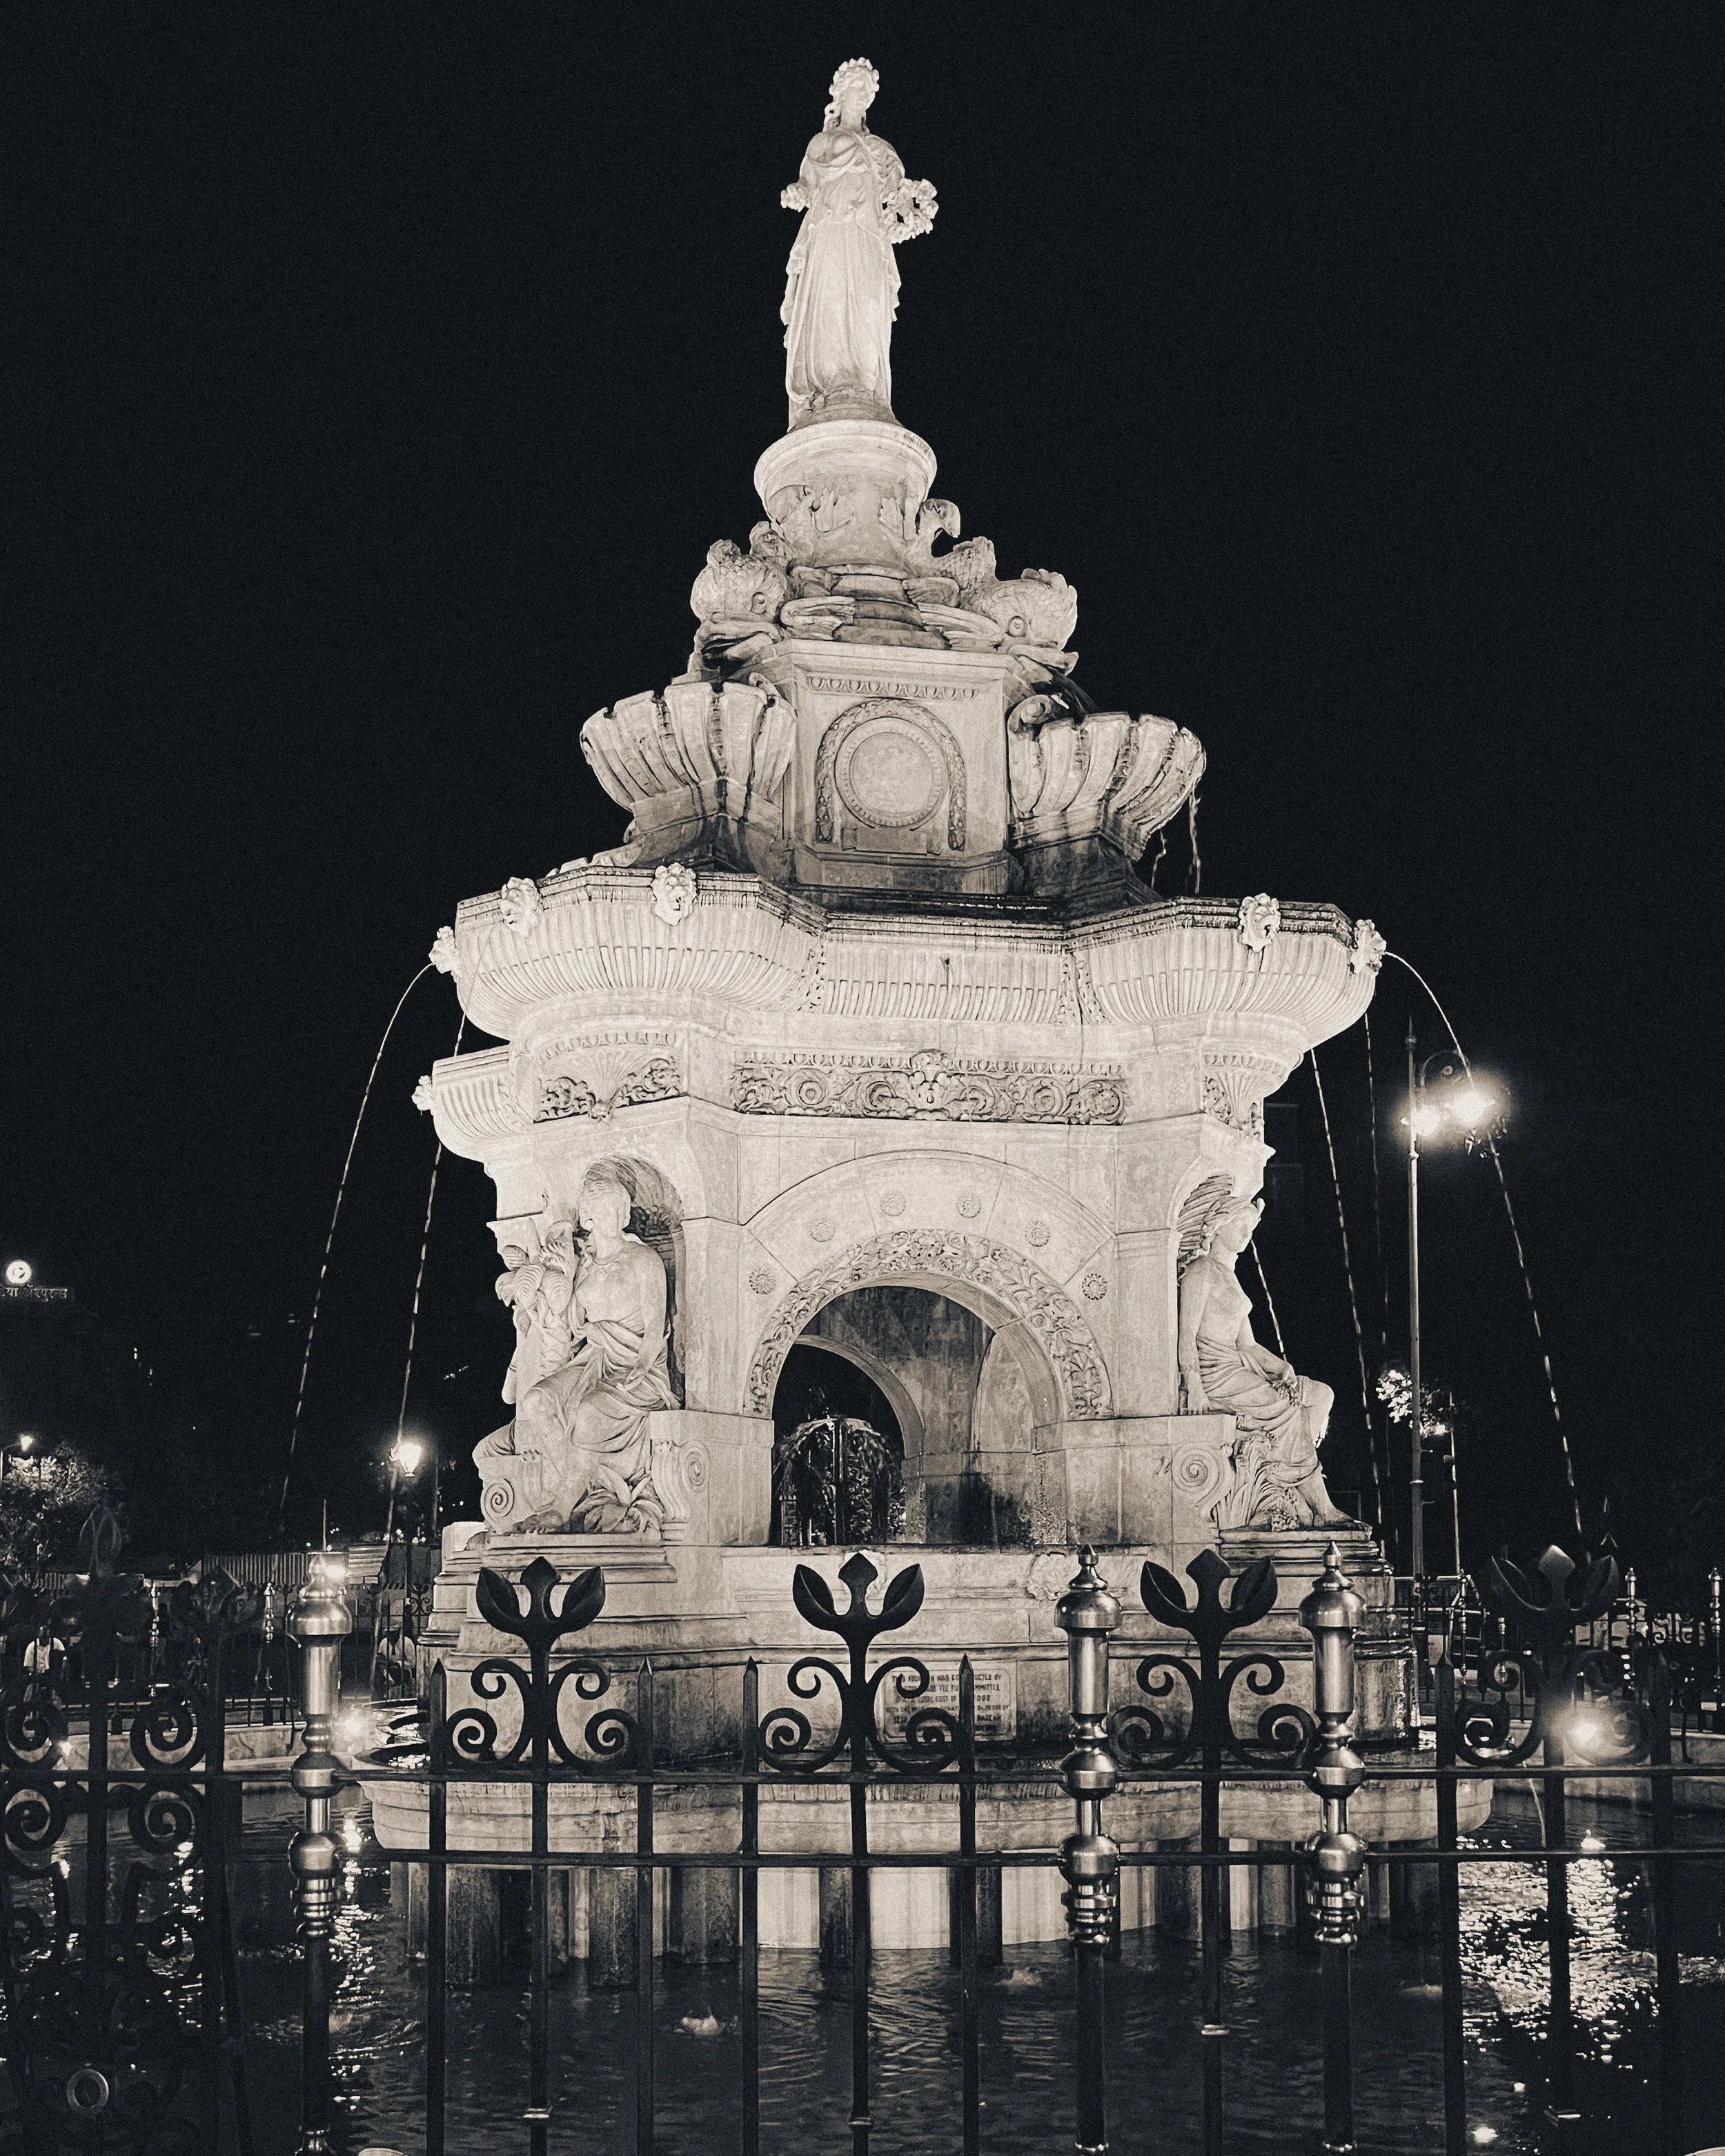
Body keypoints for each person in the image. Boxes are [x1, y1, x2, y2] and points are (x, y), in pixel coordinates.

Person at [474, 1169, 676, 1534]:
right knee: (537, 1401)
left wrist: (639, 1371)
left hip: (637, 1368)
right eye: (605, 1211)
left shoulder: (644, 1261)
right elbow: (571, 1326)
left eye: (620, 1210)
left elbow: (655, 1327)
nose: (616, 1218)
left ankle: (562, 1508)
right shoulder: (584, 1266)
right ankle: (575, 1487)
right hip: (593, 1360)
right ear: (589, 1218)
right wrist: (551, 1290)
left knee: (589, 1412)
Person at [1178, 1193, 1350, 1530]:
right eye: (1241, 1226)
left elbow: (1249, 1344)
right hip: (1216, 1373)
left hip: (1239, 1365)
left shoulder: (1230, 1277)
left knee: (1319, 1394)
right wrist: (1194, 1384)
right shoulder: (1201, 1271)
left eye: (1251, 1227)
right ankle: (1320, 1505)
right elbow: (1186, 1334)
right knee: (1284, 1409)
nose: (1246, 1234)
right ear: (1219, 1225)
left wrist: (1281, 1367)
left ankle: (1287, 1477)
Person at [780, 58, 934, 428]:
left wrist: (916, 208)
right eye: (857, 88)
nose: (863, 95)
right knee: (828, 301)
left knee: (868, 306)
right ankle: (828, 386)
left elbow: (899, 194)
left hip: (866, 236)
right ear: (840, 94)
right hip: (830, 231)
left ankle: (864, 386)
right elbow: (808, 185)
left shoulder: (880, 150)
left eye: (868, 91)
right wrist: (796, 192)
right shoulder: (822, 144)